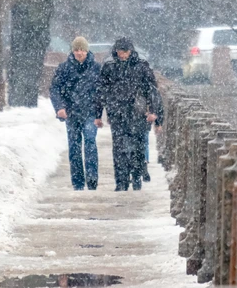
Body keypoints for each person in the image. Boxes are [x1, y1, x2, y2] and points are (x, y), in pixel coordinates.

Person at [97, 37, 163, 191]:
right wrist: (98, 114)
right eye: (120, 51)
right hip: (117, 113)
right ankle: (121, 181)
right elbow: (101, 92)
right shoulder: (109, 67)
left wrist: (153, 110)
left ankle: (136, 176)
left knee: (138, 147)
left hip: (137, 113)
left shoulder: (141, 66)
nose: (122, 54)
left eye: (125, 51)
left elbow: (152, 89)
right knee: (119, 148)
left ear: (131, 51)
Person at [50, 37, 101, 191]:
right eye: (76, 49)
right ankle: (78, 182)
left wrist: (100, 111)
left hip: (90, 112)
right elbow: (55, 89)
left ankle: (92, 178)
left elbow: (102, 91)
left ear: (87, 50)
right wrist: (59, 107)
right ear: (72, 51)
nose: (79, 53)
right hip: (71, 113)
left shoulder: (96, 68)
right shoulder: (64, 68)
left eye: (82, 50)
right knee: (74, 146)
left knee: (90, 142)